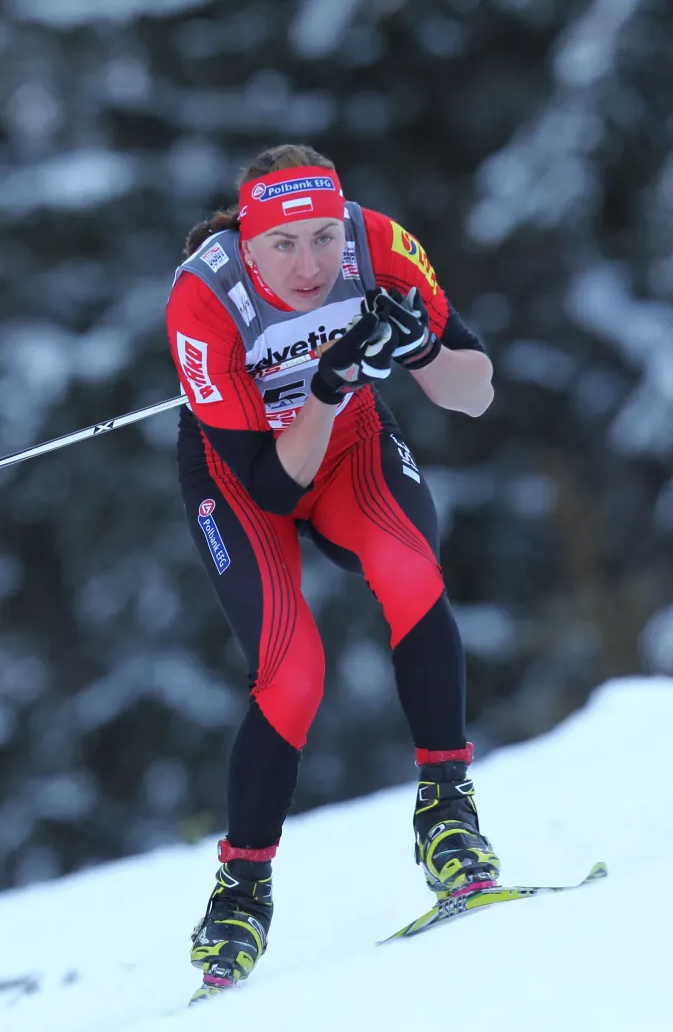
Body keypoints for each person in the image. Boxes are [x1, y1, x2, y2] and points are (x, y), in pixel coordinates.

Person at [166, 143, 499, 996]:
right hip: (243, 477)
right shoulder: (204, 300)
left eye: (323, 239)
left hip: (347, 442)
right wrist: (328, 378)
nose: (312, 265)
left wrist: (421, 346)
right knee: (293, 674)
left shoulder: (382, 245)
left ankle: (447, 815)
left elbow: (476, 392)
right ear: (248, 242)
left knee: (411, 570)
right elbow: (274, 487)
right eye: (285, 245)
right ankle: (242, 891)